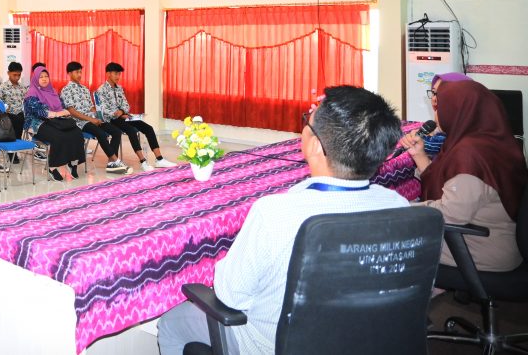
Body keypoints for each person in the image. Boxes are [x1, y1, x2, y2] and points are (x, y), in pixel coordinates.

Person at [157, 85, 409, 355]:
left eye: (306, 122)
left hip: (271, 345)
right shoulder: (400, 206)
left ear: (314, 145)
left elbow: (230, 296)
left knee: (171, 323)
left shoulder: (275, 213)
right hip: (365, 341)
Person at [403, 79, 527, 272]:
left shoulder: (471, 154)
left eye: (440, 107)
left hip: (482, 247)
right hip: (492, 238)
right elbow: (451, 186)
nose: (436, 114)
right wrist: (419, 155)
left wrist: (399, 208)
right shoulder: (492, 141)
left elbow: (450, 214)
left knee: (391, 239)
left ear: (458, 110)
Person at [96, 62, 176, 170]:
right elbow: (103, 109)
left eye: (119, 74)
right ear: (108, 74)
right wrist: (118, 114)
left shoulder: (119, 88)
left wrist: (122, 111)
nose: (118, 77)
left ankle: (159, 159)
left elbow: (126, 104)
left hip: (123, 116)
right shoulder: (101, 90)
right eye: (116, 74)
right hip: (111, 119)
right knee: (132, 130)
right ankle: (143, 161)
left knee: (148, 128)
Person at [60, 62, 129, 174]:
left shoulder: (85, 89)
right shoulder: (66, 90)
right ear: (69, 73)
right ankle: (116, 161)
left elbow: (92, 107)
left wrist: (99, 116)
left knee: (116, 132)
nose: (80, 74)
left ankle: (111, 164)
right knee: (101, 134)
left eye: (81, 72)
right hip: (80, 121)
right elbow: (72, 112)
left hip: (92, 119)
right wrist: (91, 119)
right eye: (77, 72)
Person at [23, 67, 86, 181]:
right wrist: (57, 114)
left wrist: (61, 113)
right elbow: (38, 111)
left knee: (76, 132)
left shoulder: (53, 91)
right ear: (36, 79)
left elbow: (62, 107)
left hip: (55, 121)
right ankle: (52, 167)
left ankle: (73, 162)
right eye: (41, 77)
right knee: (59, 136)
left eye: (46, 76)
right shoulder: (31, 92)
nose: (44, 79)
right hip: (37, 123)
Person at [0, 62, 27, 138]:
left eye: (19, 75)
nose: (17, 77)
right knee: (18, 120)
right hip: (9, 115)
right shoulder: (2, 87)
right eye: (15, 75)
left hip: (21, 114)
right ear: (8, 73)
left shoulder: (23, 87)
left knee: (23, 118)